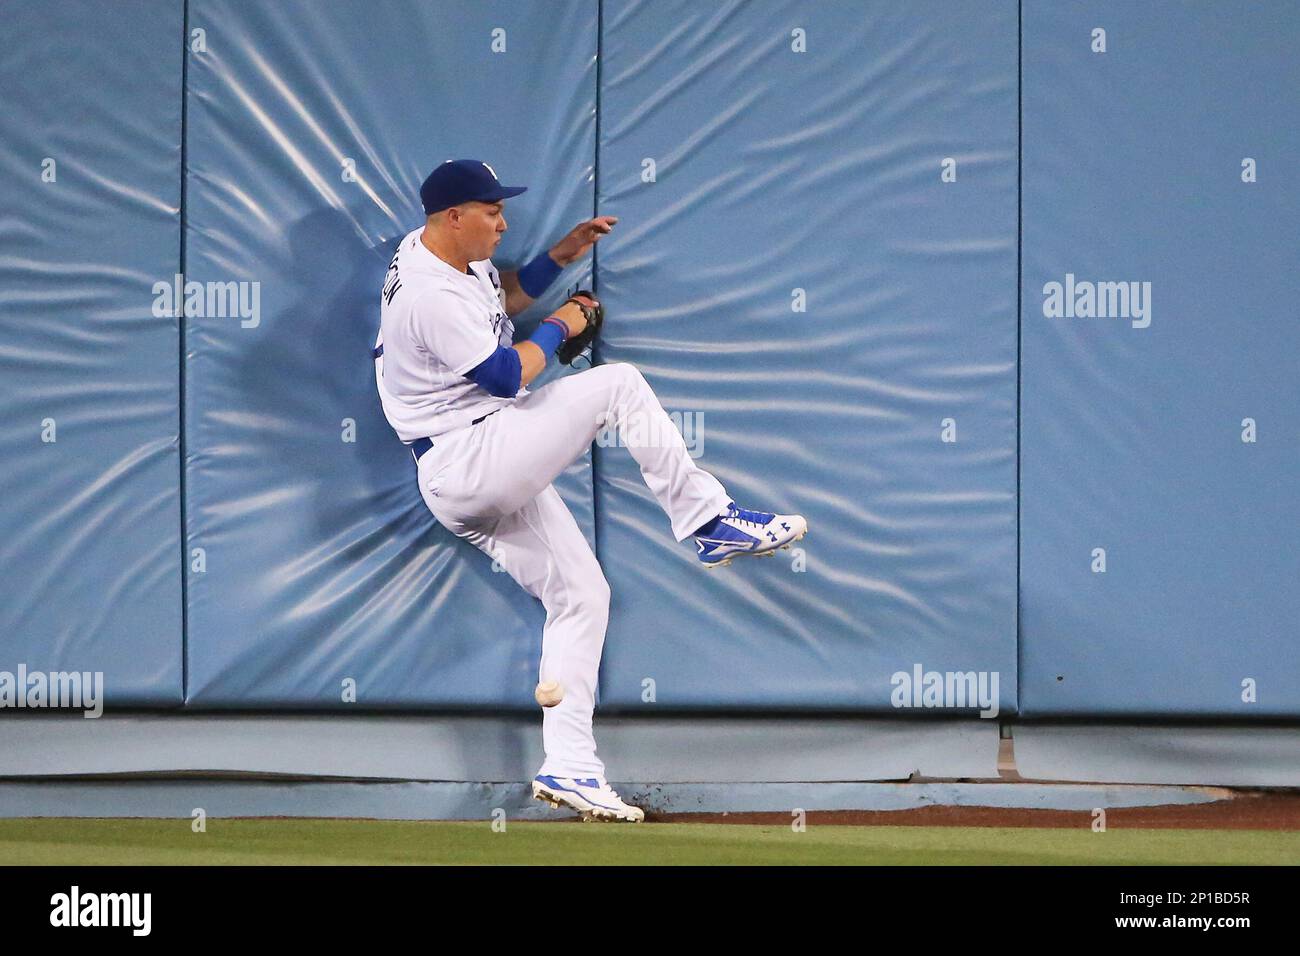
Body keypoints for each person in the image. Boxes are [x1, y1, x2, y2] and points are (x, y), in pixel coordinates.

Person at [373, 160, 807, 822]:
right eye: (492, 211)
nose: (503, 220)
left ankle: (571, 768)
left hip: (476, 457)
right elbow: (501, 373)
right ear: (453, 217)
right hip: (468, 455)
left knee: (582, 595)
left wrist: (561, 257)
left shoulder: (437, 250)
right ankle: (708, 520)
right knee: (618, 384)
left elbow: (503, 301)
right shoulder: (428, 292)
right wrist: (566, 324)